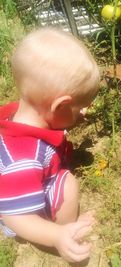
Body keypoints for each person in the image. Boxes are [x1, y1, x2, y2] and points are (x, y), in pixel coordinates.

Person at [0, 27, 100, 263]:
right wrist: (57, 236)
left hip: (17, 185)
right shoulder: (25, 158)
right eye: (80, 106)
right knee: (68, 185)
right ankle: (64, 231)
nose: (84, 111)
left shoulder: (22, 113)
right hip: (21, 210)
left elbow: (55, 120)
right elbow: (16, 218)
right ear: (59, 106)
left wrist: (71, 116)